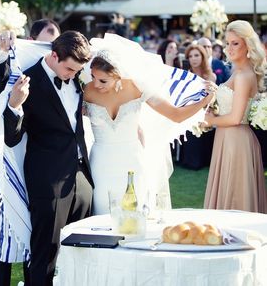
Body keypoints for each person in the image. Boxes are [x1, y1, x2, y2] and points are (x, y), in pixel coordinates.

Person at [3, 31, 93, 285]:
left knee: (82, 252)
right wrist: (14, 106)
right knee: (46, 253)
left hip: (81, 176)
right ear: (53, 55)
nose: (73, 75)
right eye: (69, 69)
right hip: (48, 180)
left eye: (77, 71)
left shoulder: (76, 78)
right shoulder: (27, 81)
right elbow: (12, 138)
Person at [85, 46, 215, 216]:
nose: (96, 84)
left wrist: (205, 100)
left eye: (103, 81)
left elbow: (176, 115)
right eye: (93, 77)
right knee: (101, 209)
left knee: (134, 213)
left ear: (118, 76)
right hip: (100, 163)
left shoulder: (138, 88)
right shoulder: (87, 91)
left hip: (132, 161)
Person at [0, 22, 60, 286]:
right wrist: (3, 50)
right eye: (44, 45)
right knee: (2, 222)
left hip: (41, 157)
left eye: (53, 47)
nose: (48, 52)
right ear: (29, 41)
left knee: (36, 223)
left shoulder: (61, 70)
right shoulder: (18, 61)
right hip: (7, 154)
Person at [203, 20, 267, 213]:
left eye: (235, 43)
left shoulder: (242, 76)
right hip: (228, 139)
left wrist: (207, 120)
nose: (229, 48)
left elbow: (235, 118)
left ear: (248, 44)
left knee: (235, 199)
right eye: (227, 43)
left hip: (236, 142)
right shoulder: (237, 71)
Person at [178, 44, 216, 170]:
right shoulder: (185, 76)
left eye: (196, 55)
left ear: (202, 57)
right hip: (189, 114)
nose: (193, 59)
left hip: (207, 114)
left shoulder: (211, 76)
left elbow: (213, 98)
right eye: (190, 56)